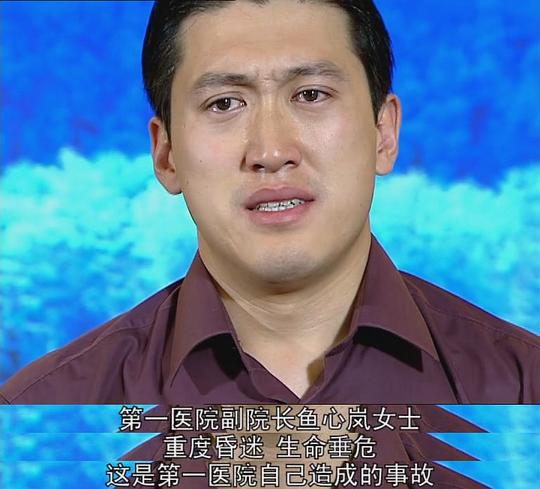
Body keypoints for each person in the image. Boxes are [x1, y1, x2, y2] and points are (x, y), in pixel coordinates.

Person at [1, 0, 539, 404]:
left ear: (384, 133)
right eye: (224, 103)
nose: (271, 151)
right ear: (166, 155)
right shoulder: (46, 412)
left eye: (311, 95)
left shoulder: (521, 388)